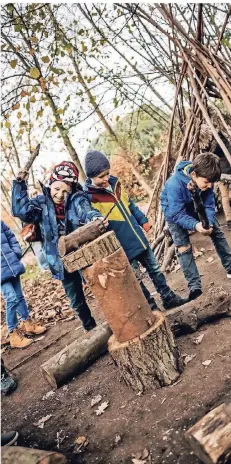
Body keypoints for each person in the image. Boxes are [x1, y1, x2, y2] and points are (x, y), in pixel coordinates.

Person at [84, 150, 187, 310]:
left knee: (155, 270)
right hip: (122, 246)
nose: (105, 179)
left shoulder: (115, 183)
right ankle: (150, 307)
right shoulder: (90, 197)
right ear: (91, 177)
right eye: (101, 176)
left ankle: (168, 297)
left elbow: (130, 204)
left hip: (138, 238)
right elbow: (95, 221)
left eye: (107, 173)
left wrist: (143, 221)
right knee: (136, 279)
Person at [12, 161, 106, 331]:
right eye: (56, 189)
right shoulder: (40, 204)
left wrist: (94, 218)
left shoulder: (77, 199)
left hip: (82, 253)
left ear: (71, 189)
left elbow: (85, 210)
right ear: (50, 185)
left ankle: (115, 319)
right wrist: (19, 184)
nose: (60, 195)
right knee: (76, 299)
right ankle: (91, 328)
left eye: (65, 191)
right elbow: (21, 211)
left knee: (101, 286)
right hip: (60, 260)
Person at [160, 153, 231, 301]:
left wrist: (209, 222)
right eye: (207, 182)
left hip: (196, 207)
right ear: (193, 174)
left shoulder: (207, 179)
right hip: (175, 213)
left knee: (217, 233)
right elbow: (177, 214)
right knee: (183, 247)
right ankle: (195, 287)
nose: (210, 186)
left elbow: (209, 205)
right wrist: (195, 225)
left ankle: (230, 266)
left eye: (212, 182)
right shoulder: (174, 184)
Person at [1, 221, 46, 348]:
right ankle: (13, 333)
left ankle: (27, 323)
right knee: (11, 298)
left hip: (12, 265)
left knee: (19, 296)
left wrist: (15, 252)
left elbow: (10, 236)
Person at [199, 124, 231, 230]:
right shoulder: (219, 139)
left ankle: (229, 219)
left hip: (219, 173)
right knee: (226, 197)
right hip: (227, 170)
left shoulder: (206, 147)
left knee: (225, 197)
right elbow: (229, 150)